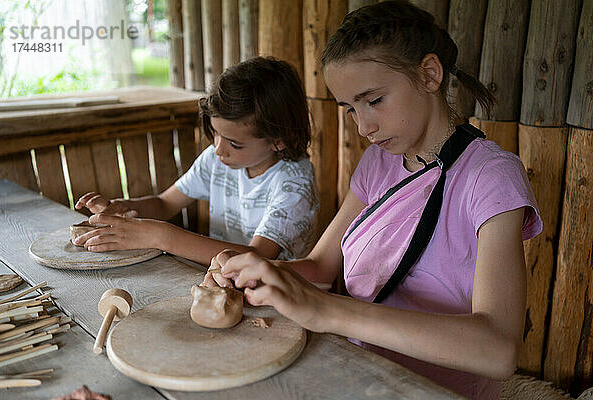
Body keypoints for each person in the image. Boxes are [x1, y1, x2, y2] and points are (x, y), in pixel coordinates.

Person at [203, 2, 543, 399]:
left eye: (375, 100)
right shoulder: (379, 162)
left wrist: (327, 311)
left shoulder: (490, 176)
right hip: (361, 372)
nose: (363, 126)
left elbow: (497, 350)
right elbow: (320, 267)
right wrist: (262, 272)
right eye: (350, 109)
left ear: (429, 74)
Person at [73, 56, 319, 265]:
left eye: (235, 143)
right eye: (216, 134)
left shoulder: (293, 184)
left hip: (281, 301)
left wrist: (161, 236)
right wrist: (122, 207)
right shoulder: (218, 159)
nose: (219, 149)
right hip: (227, 285)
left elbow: (258, 257)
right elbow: (164, 203)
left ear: (279, 140)